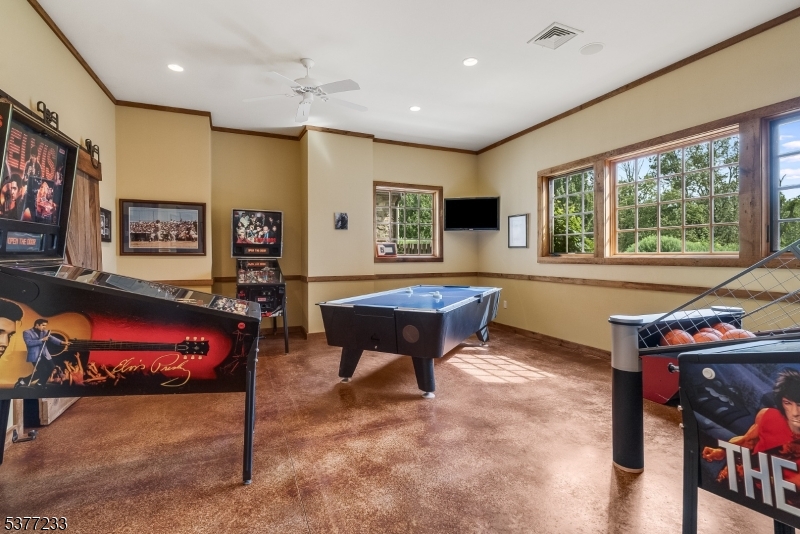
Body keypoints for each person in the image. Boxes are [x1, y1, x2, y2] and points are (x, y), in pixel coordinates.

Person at [20, 318, 67, 387]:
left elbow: (52, 338)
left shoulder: (45, 332)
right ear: (37, 325)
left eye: (45, 325)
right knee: (42, 370)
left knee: (51, 368)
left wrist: (62, 342)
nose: (44, 327)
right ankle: (24, 381)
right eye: (43, 325)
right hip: (35, 355)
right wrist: (41, 340)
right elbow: (29, 343)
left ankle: (40, 383)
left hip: (45, 354)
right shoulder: (27, 332)